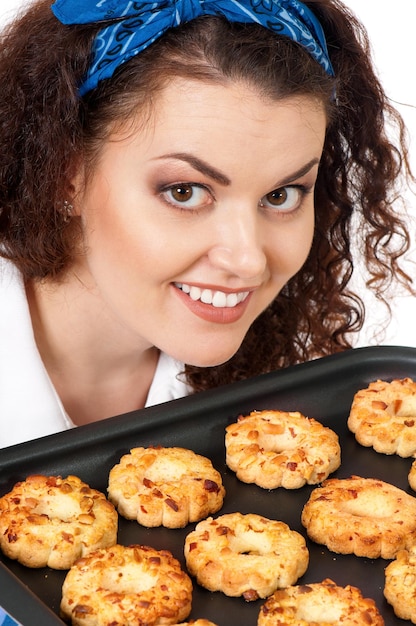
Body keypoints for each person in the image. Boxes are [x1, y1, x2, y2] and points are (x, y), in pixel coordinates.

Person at [0, 0, 413, 448]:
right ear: (66, 174)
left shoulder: (276, 416)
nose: (248, 260)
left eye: (281, 195)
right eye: (185, 192)